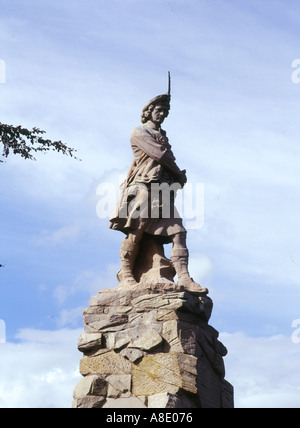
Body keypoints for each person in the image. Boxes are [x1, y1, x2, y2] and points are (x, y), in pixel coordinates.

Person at [110, 92, 205, 292]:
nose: (161, 114)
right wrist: (179, 174)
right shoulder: (139, 132)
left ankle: (185, 277)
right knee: (137, 231)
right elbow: (160, 155)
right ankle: (126, 275)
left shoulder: (163, 136)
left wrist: (176, 178)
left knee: (178, 232)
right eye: (158, 110)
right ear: (148, 112)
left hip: (162, 190)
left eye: (164, 112)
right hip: (144, 187)